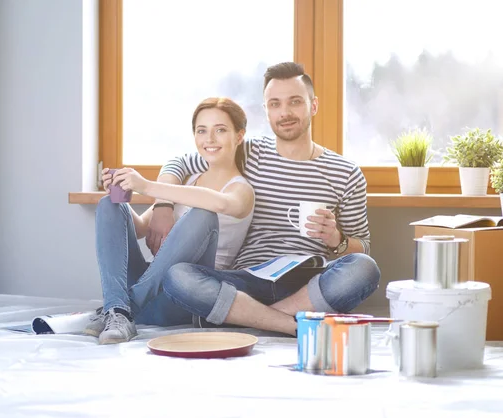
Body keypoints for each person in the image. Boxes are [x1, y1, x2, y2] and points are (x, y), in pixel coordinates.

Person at [149, 62, 381, 337]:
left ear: (313, 105)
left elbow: (362, 248)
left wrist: (336, 239)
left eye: (295, 102)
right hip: (246, 280)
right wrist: (162, 205)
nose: (285, 113)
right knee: (178, 276)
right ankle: (284, 322)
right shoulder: (247, 152)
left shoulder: (346, 173)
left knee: (364, 269)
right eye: (275, 104)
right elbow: (180, 162)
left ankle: (251, 319)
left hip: (305, 282)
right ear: (266, 110)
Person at [87, 97, 255, 344]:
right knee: (109, 204)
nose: (209, 139)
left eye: (220, 130)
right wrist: (118, 190)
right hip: (151, 290)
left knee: (203, 214)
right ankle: (119, 308)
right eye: (202, 131)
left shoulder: (242, 190)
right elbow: (142, 228)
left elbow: (219, 203)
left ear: (239, 136)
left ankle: (120, 307)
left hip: (184, 293)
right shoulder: (188, 181)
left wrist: (147, 185)